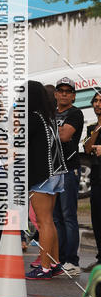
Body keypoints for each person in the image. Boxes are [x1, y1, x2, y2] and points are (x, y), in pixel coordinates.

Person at [24, 81, 67, 279]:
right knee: (50, 220)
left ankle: (45, 267)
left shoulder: (33, 118)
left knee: (44, 221)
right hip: (57, 172)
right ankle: (54, 262)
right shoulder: (48, 116)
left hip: (42, 174)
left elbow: (14, 141)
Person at [53, 77, 84, 275]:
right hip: (52, 170)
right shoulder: (51, 113)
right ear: (55, 94)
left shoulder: (76, 113)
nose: (64, 93)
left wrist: (50, 131)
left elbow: (64, 136)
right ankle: (61, 259)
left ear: (73, 95)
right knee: (55, 218)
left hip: (68, 169)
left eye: (68, 91)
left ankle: (72, 261)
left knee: (68, 216)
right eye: (61, 90)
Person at [83, 91, 101, 272]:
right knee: (97, 219)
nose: (98, 104)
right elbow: (87, 149)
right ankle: (100, 258)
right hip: (96, 179)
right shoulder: (92, 128)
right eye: (95, 101)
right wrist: (98, 128)